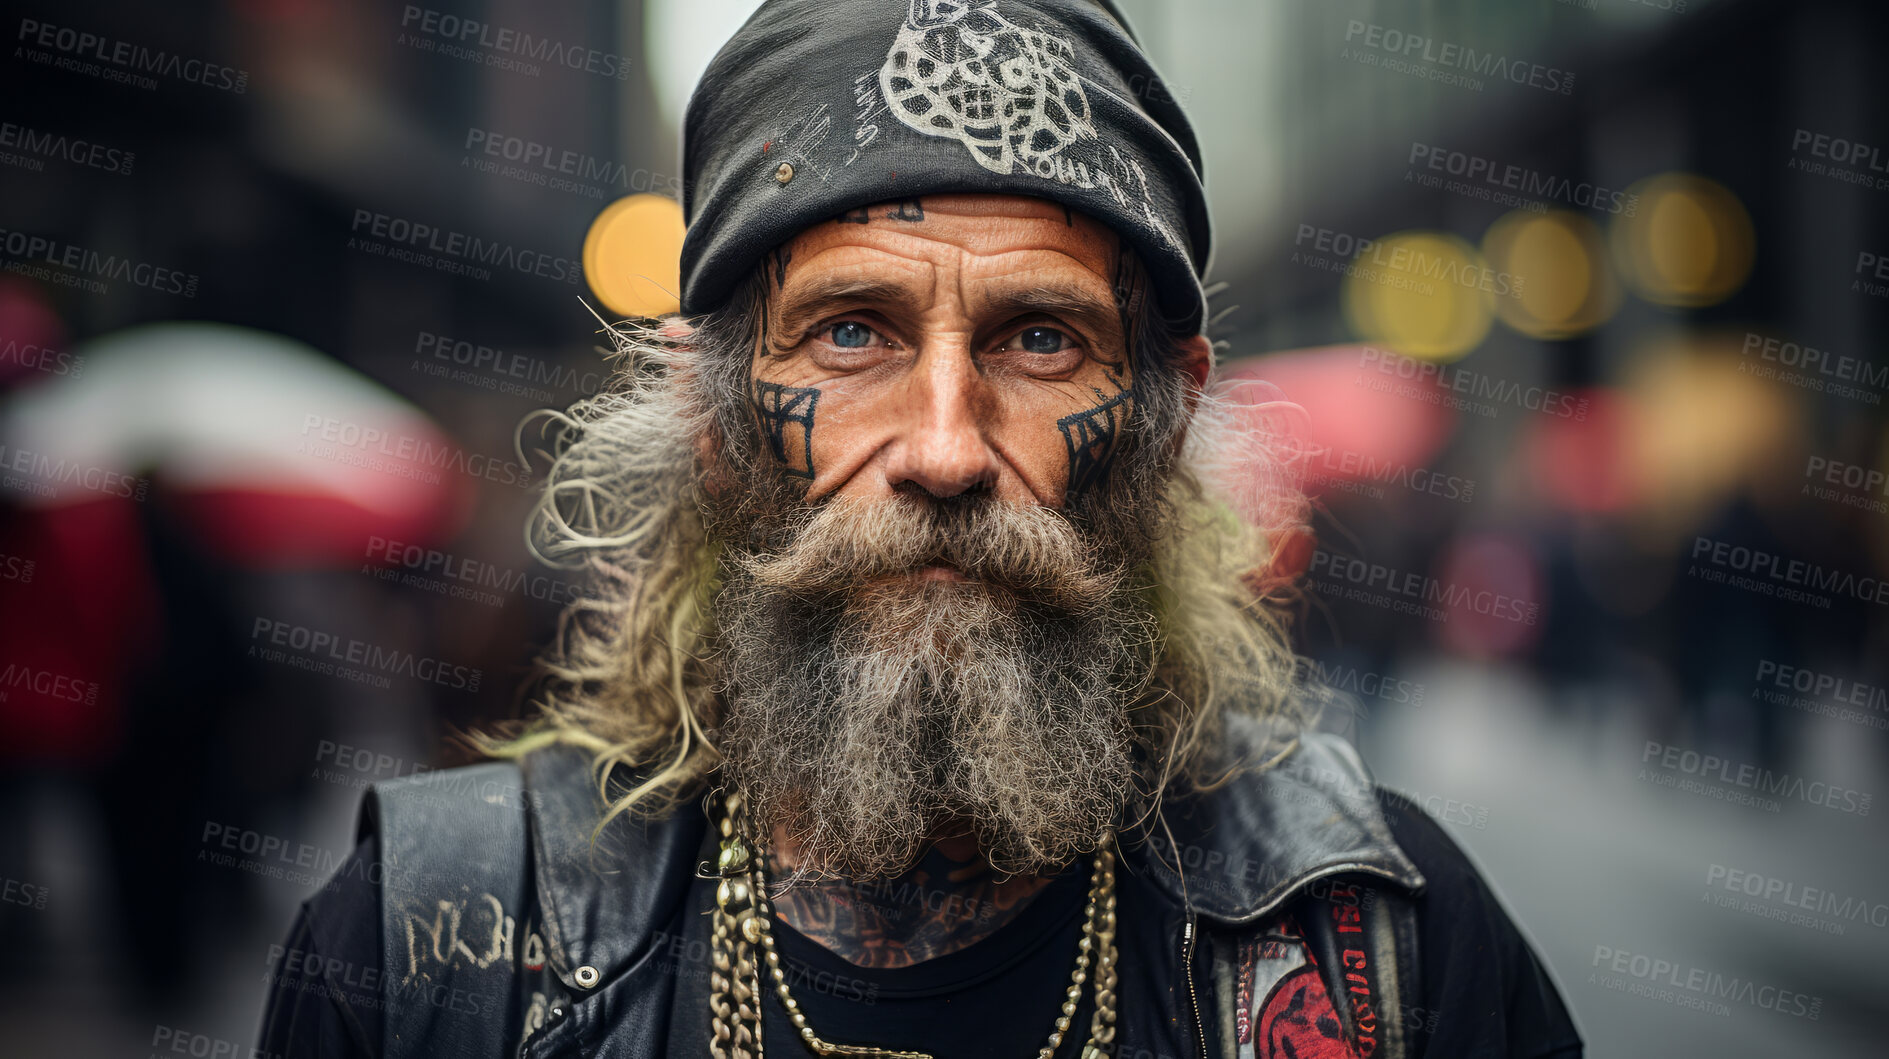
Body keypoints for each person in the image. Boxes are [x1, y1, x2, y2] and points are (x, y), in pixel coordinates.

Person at [259, 1, 1581, 1056]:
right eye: (849, 333)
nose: (945, 448)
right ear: (713, 420)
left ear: (1167, 418)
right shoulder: (426, 954)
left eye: (1043, 337)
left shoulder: (1387, 946)